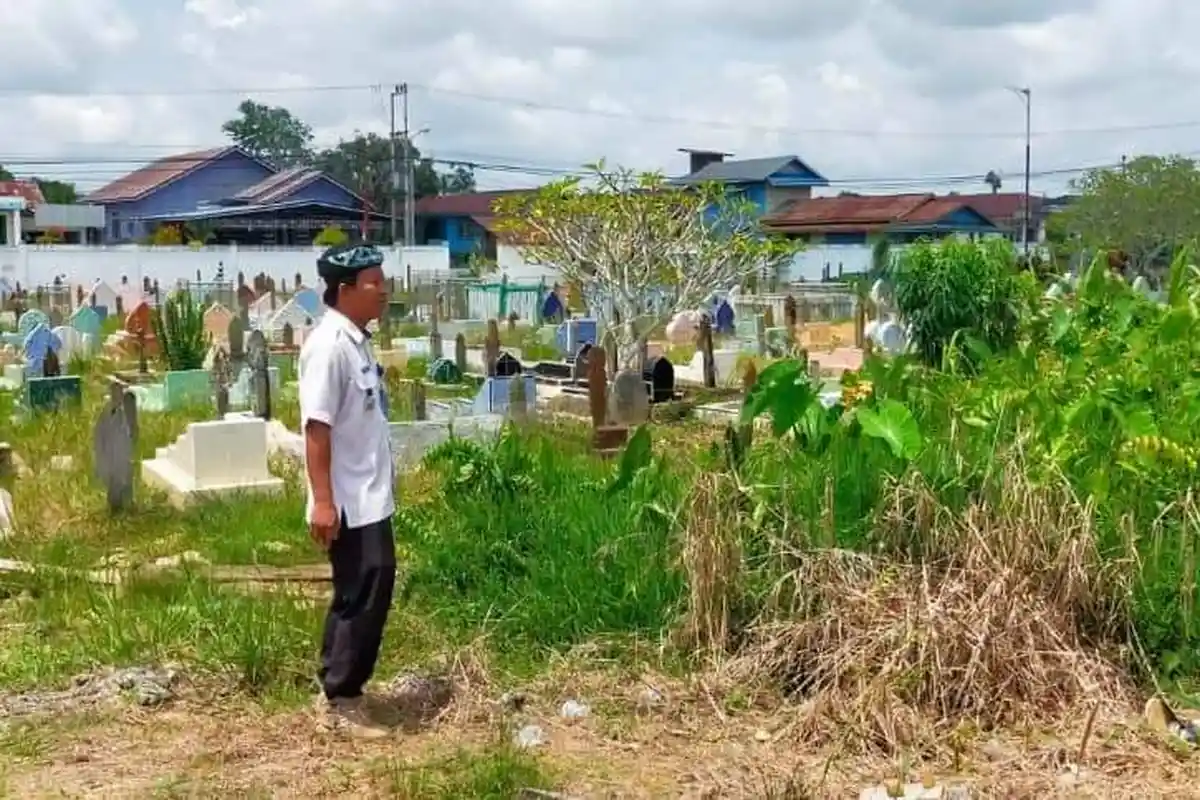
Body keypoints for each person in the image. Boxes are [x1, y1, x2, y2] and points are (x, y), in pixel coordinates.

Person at [300, 243, 394, 737]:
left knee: (366, 587)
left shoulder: (357, 340)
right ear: (345, 290)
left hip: (370, 494)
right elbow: (317, 427)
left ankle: (343, 688)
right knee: (361, 590)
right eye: (374, 282)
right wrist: (322, 500)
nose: (383, 290)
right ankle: (341, 700)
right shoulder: (329, 346)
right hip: (348, 499)